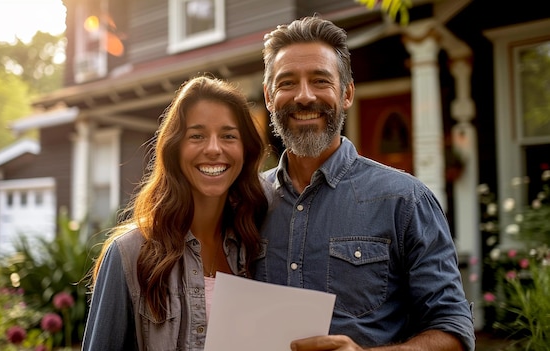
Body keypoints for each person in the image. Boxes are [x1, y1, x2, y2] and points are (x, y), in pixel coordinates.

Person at [253, 15, 475, 351]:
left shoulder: (405, 200)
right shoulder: (247, 200)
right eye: (286, 83)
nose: (304, 96)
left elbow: (455, 333)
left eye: (320, 81)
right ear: (269, 97)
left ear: (346, 94)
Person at [81, 75, 269, 350]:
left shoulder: (254, 247)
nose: (214, 149)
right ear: (175, 149)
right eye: (197, 135)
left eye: (228, 135)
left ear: (245, 150)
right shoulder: (128, 253)